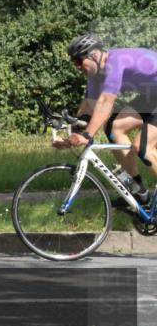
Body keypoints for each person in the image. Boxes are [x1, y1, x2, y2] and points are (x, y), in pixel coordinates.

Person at [56, 34, 157, 206]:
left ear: (93, 55)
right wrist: (72, 137)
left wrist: (87, 135)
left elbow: (105, 102)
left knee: (142, 146)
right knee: (113, 128)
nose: (77, 67)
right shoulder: (95, 74)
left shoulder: (115, 62)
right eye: (74, 63)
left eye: (79, 62)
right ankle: (139, 192)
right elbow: (89, 106)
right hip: (152, 95)